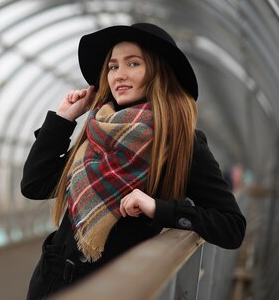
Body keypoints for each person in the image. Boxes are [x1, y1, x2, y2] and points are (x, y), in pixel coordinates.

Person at [21, 23, 246, 299]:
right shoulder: (97, 130)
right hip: (50, 285)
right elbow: (35, 185)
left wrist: (158, 209)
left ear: (158, 72)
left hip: (115, 289)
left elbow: (231, 227)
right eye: (113, 67)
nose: (119, 75)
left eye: (133, 63)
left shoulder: (179, 142)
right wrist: (63, 119)